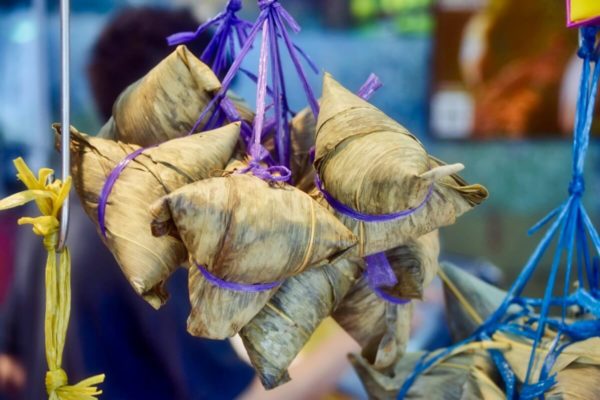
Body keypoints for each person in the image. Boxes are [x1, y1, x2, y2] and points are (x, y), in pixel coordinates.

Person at [0, 6, 359, 400]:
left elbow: (10, 364)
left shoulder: (55, 193)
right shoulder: (154, 227)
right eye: (220, 106)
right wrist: (351, 344)